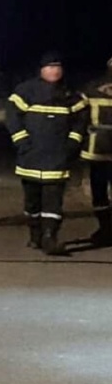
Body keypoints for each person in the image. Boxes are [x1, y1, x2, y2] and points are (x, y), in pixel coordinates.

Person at [6, 51, 88, 255]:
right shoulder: (26, 91)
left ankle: (50, 237)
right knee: (32, 201)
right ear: (41, 69)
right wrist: (22, 141)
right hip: (30, 157)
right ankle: (35, 234)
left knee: (54, 200)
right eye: (50, 67)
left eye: (58, 67)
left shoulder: (71, 95)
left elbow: (81, 121)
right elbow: (13, 117)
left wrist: (72, 143)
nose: (55, 71)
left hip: (57, 158)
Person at [79, 56, 112, 246]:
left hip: (97, 148)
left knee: (99, 193)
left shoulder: (91, 88)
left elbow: (79, 116)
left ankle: (106, 229)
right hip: (98, 148)